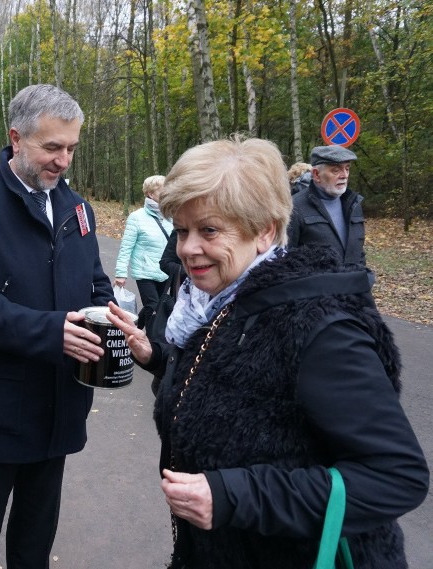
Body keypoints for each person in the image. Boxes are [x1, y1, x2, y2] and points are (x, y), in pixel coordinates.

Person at [106, 136, 428, 568]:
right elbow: (229, 384)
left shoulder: (317, 327)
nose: (187, 248)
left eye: (209, 230)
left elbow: (396, 477)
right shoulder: (214, 305)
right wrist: (157, 357)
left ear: (266, 231)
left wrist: (232, 497)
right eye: (182, 230)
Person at [0, 83, 115, 568]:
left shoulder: (78, 210)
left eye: (72, 147)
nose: (64, 160)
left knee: (34, 548)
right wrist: (49, 331)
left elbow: (95, 282)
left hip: (58, 407)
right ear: (16, 138)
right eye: (52, 147)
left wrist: (110, 320)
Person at [287, 146, 371, 280]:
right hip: (315, 298)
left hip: (354, 294)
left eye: (347, 168)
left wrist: (366, 279)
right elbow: (285, 260)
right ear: (316, 174)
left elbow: (357, 250)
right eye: (335, 170)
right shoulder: (294, 207)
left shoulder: (353, 204)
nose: (344, 175)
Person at [114, 175, 172, 310]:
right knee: (153, 308)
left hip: (165, 272)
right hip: (144, 272)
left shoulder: (171, 217)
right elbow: (126, 247)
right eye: (161, 191)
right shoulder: (136, 217)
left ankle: (138, 327)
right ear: (150, 194)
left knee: (158, 307)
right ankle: (152, 332)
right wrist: (120, 273)